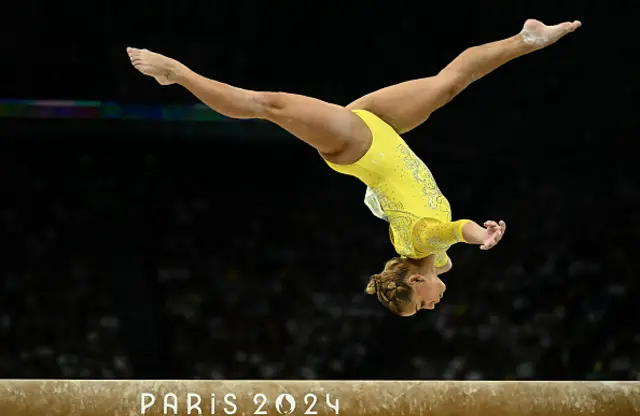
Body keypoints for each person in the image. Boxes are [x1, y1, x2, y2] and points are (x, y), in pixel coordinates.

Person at [127, 18, 581, 316]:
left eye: (421, 304)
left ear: (417, 279)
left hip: (357, 144)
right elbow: (443, 258)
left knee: (264, 104)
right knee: (449, 84)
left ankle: (177, 72)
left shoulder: (420, 239)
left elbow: (458, 228)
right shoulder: (433, 259)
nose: (432, 307)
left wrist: (484, 235)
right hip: (380, 130)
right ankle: (527, 39)